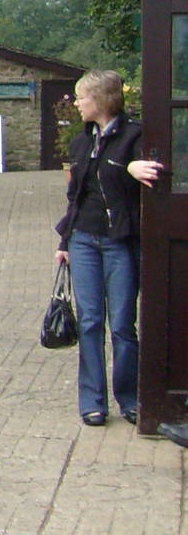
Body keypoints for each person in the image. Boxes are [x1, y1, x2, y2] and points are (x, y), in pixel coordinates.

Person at [54, 70, 163, 427]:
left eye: (82, 98)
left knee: (121, 324)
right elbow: (76, 198)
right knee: (89, 321)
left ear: (100, 100)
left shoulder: (136, 136)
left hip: (119, 242)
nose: (77, 104)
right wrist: (65, 241)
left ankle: (129, 398)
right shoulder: (81, 144)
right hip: (84, 239)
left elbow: (138, 176)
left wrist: (128, 166)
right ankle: (92, 402)